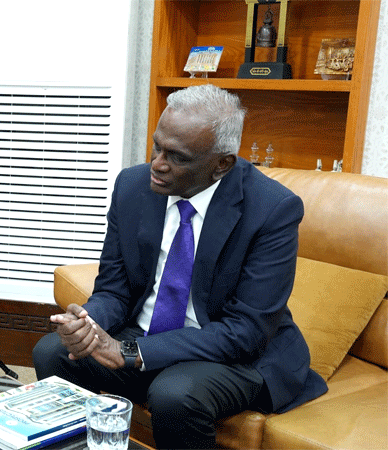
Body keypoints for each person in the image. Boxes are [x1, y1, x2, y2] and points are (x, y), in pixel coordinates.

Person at [33, 84, 327, 449]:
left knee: (174, 393)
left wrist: (133, 354)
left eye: (178, 157)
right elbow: (114, 288)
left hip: (233, 354)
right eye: (157, 146)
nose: (157, 164)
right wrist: (89, 324)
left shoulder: (272, 209)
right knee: (54, 353)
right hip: (146, 336)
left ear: (222, 164)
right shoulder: (132, 186)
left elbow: (246, 331)